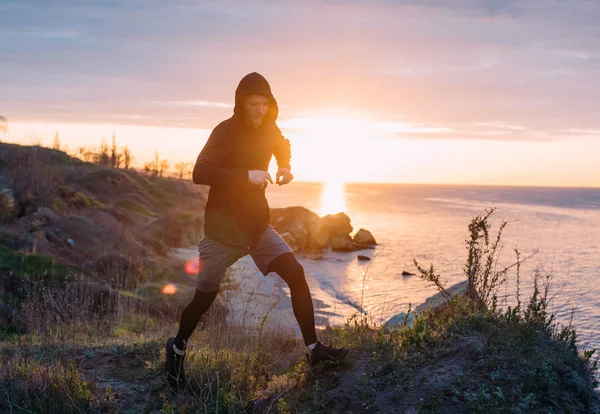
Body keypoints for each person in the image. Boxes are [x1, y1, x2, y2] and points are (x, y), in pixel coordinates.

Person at [165, 72, 348, 388]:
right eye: (253, 103)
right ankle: (177, 347)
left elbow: (281, 144)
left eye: (264, 104)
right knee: (203, 299)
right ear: (241, 102)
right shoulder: (224, 132)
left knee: (295, 273)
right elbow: (200, 172)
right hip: (222, 233)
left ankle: (314, 350)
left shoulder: (269, 126)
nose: (259, 109)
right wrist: (245, 175)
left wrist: (285, 166)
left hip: (257, 228)